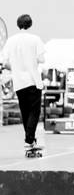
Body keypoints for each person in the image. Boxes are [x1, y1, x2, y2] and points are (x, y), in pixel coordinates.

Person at [1, 14, 45, 151]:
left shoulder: (11, 41)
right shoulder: (35, 39)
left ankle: (30, 140)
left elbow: (4, 61)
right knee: (34, 112)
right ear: (30, 24)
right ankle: (29, 140)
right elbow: (42, 59)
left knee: (25, 112)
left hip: (19, 82)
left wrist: (15, 65)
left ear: (18, 24)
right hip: (33, 81)